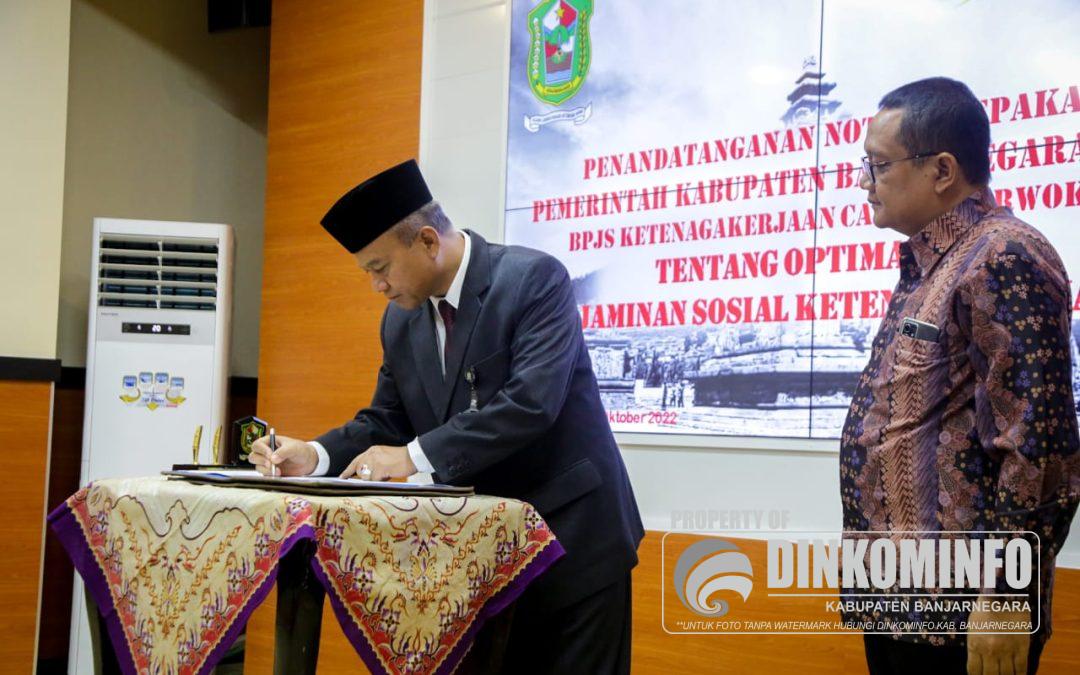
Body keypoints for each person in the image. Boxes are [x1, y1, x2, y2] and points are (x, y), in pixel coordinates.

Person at [249, 159, 644, 673]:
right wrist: (316, 454)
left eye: (380, 268)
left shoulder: (533, 280)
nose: (377, 287)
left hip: (574, 545)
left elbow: (530, 405)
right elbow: (385, 422)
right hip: (486, 560)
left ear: (429, 241)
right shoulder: (401, 321)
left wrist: (412, 458)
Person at [839, 77, 1079, 675]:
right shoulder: (930, 265)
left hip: (963, 616)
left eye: (877, 165)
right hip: (903, 599)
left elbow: (1039, 442)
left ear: (942, 169)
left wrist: (1006, 597)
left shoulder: (1003, 254)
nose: (862, 183)